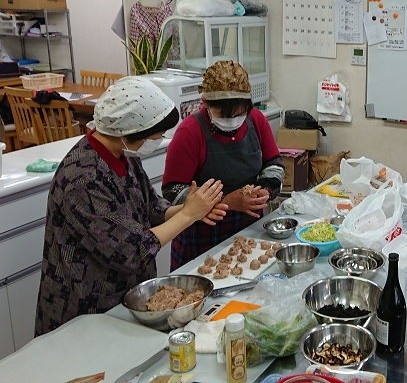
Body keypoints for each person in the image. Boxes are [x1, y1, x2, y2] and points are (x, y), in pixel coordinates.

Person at [34, 76, 227, 336]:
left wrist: (192, 208)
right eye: (156, 134)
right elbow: (132, 251)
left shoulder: (124, 155)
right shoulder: (83, 177)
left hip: (123, 301)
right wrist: (188, 216)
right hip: (83, 310)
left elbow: (152, 209)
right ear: (128, 132)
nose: (159, 139)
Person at [162, 60, 284, 271]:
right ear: (205, 103)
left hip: (248, 229)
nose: (232, 121)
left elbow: (274, 163)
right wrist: (226, 202)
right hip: (201, 237)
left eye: (238, 114)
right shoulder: (190, 133)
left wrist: (265, 190)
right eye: (223, 116)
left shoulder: (256, 121)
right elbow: (172, 191)